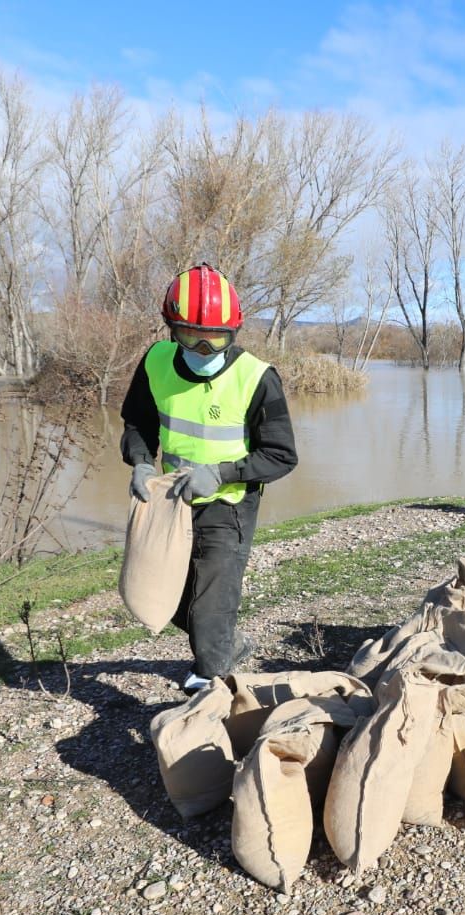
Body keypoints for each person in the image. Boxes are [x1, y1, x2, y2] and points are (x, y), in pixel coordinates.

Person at [120, 263, 298, 692]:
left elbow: (281, 455)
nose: (202, 348)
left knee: (210, 605)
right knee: (165, 594)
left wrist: (221, 474)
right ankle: (226, 643)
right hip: (173, 501)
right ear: (170, 330)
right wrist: (141, 461)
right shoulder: (156, 362)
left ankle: (210, 686)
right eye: (190, 336)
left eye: (215, 338)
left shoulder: (256, 378)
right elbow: (136, 423)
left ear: (233, 332)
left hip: (230, 503)